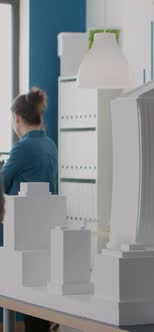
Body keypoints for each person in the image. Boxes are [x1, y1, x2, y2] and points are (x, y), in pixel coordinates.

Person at [1, 87, 57, 332]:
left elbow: (2, 183)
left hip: (22, 234)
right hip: (44, 232)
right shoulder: (49, 144)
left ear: (17, 118)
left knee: (23, 296)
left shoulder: (22, 148)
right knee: (38, 300)